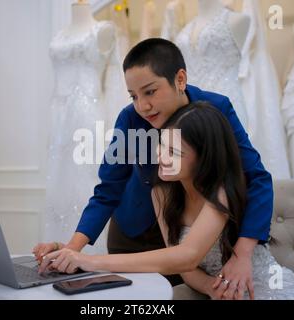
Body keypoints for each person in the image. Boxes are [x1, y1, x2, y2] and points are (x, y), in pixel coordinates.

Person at [34, 38, 274, 299]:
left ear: (180, 79)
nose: (142, 106)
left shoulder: (216, 109)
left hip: (186, 239)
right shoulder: (130, 119)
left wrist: (242, 254)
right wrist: (72, 251)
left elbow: (256, 178)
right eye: (134, 96)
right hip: (132, 232)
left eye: (150, 91)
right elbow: (108, 189)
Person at [38, 102, 294, 300]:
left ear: (203, 157)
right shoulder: (160, 194)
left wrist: (91, 261)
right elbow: (187, 269)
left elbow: (187, 255)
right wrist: (211, 287)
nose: (161, 156)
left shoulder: (221, 191)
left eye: (174, 151)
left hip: (265, 289)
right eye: (162, 144)